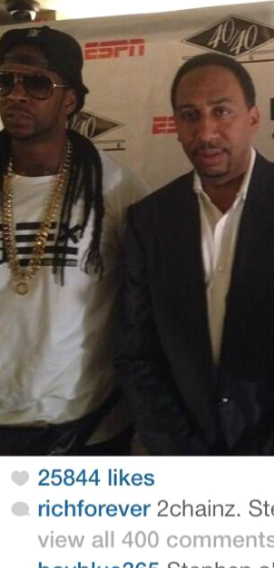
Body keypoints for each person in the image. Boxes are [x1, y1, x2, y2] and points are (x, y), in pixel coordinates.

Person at [116, 53, 274, 455]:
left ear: (253, 118)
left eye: (221, 111)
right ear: (176, 126)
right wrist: (184, 455)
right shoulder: (150, 220)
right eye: (189, 115)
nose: (206, 132)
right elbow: (136, 354)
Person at [0, 26, 147, 455]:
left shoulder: (115, 187)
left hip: (87, 430)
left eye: (37, 83)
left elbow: (145, 310)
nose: (16, 95)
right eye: (5, 81)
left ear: (70, 101)